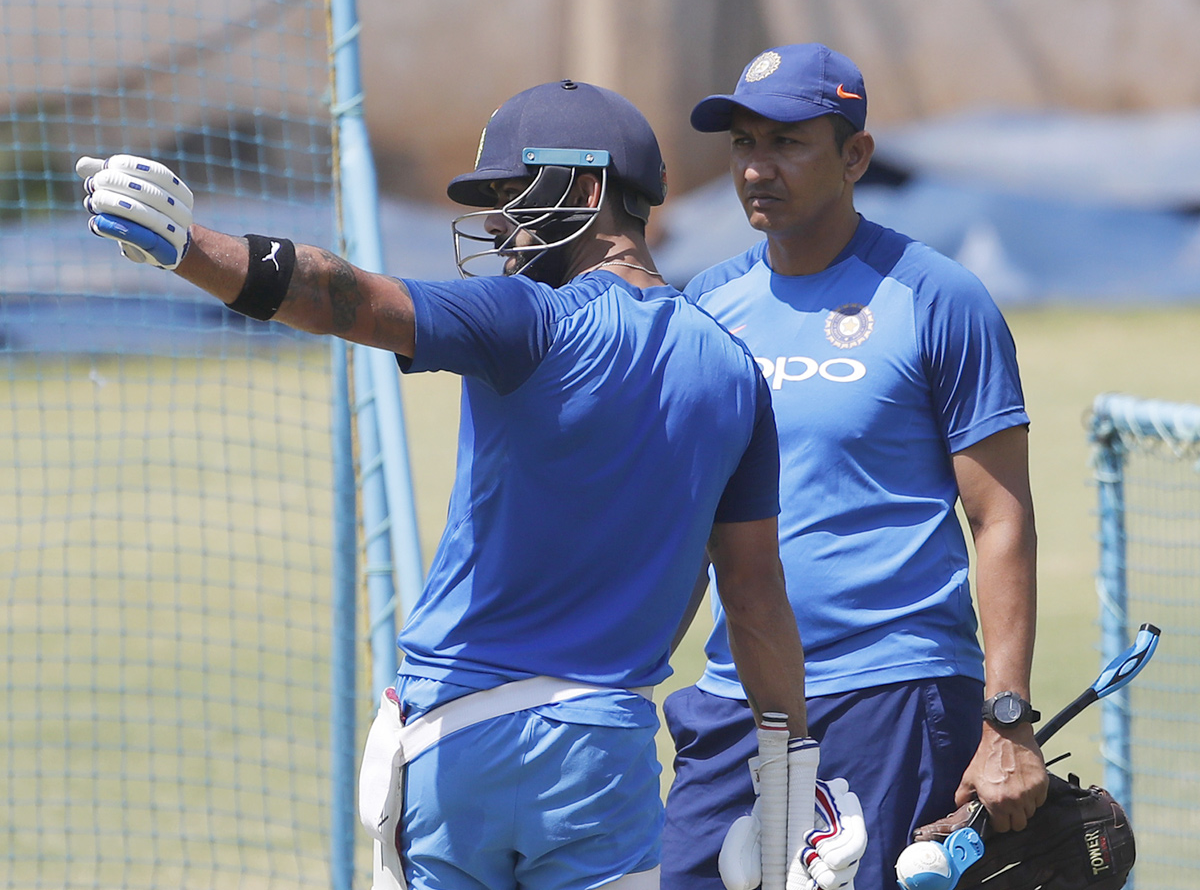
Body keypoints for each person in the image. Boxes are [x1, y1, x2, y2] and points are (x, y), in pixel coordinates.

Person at [77, 80, 821, 890]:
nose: (500, 221)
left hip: (459, 741)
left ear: (588, 189)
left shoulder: (530, 317)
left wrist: (188, 246)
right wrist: (790, 777)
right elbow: (752, 597)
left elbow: (342, 295)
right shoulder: (737, 373)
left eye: (514, 193)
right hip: (604, 751)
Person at [661, 44, 1049, 890]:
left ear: (855, 157)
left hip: (892, 692)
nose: (758, 168)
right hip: (737, 698)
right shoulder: (705, 306)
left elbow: (1001, 516)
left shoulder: (938, 298)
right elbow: (685, 526)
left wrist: (1008, 722)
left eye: (788, 143)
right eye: (743, 144)